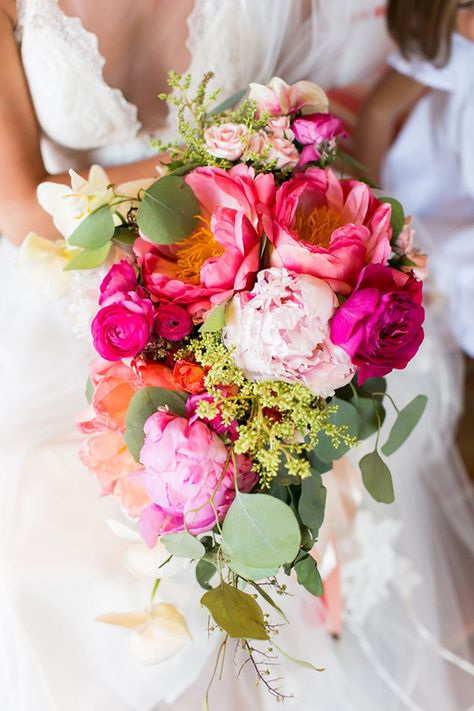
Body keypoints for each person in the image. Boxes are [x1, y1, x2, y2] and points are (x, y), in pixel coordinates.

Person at [1, 1, 473, 709]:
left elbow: (323, 111)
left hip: (249, 275)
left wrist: (284, 204)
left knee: (282, 530)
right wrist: (240, 163)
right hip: (72, 284)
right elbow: (20, 208)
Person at [355, 0, 474, 354]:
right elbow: (378, 111)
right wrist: (370, 205)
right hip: (443, 205)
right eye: (468, 5)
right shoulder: (458, 53)